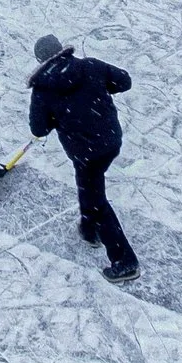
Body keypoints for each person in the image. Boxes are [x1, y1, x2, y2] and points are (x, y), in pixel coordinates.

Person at [26, 34, 140, 281]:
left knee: (96, 199)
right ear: (62, 50)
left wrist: (55, 116)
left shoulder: (43, 90)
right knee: (89, 187)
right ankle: (89, 230)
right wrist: (99, 88)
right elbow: (124, 81)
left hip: (85, 153)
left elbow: (39, 129)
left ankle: (125, 262)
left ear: (40, 60)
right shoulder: (91, 66)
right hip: (110, 141)